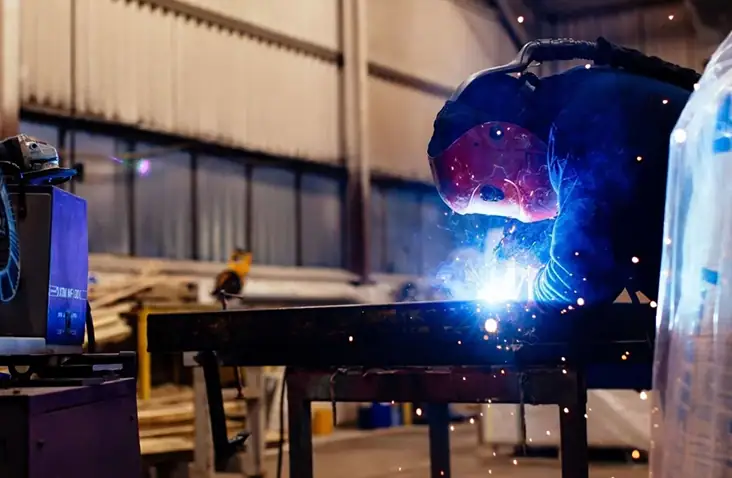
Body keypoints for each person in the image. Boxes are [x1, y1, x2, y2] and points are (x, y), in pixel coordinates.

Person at [427, 38, 700, 310]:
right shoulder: (580, 96)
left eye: (491, 193)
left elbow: (579, 278)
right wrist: (541, 243)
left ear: (501, 138)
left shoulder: (577, 126)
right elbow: (603, 215)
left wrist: (532, 298)